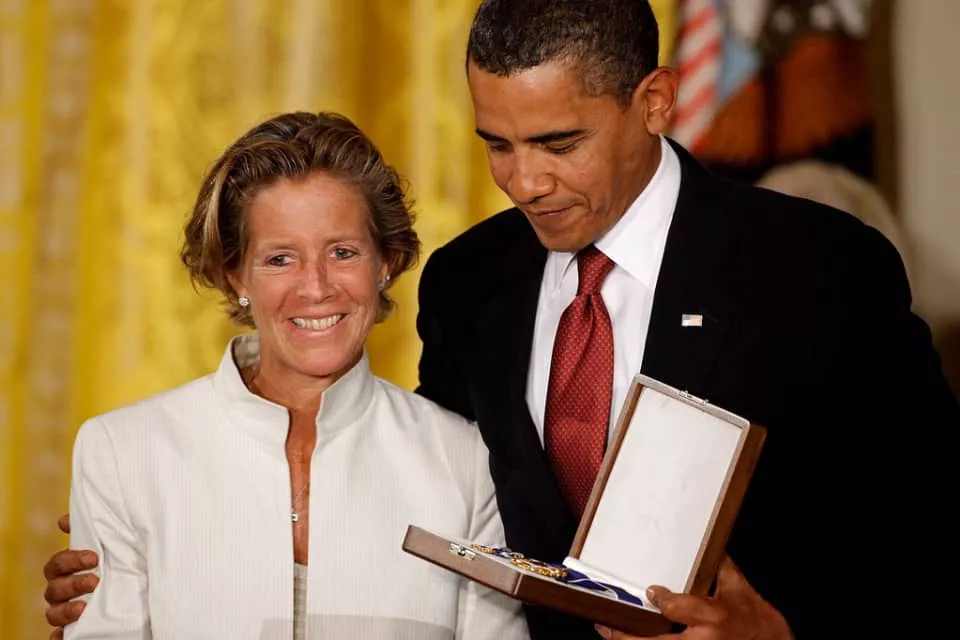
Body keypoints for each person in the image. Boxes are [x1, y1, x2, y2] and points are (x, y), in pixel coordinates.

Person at [44, 1, 959, 638]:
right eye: (497, 144)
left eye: (559, 142)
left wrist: (783, 634)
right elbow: (432, 505)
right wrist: (150, 560)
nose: (524, 181)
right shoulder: (470, 281)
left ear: (653, 101)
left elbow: (933, 535)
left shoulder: (817, 269)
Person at [53, 111, 529, 640]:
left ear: (385, 262)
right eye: (280, 259)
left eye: (343, 252)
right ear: (237, 276)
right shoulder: (122, 453)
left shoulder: (467, 462)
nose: (316, 287)